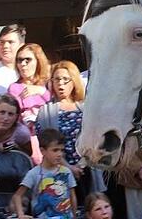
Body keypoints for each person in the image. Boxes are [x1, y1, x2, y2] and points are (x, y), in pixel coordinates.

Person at [36, 60, 104, 200]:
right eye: (57, 79)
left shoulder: (87, 108)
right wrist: (68, 167)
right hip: (58, 173)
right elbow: (45, 145)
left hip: (88, 169)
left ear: (74, 81)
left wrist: (81, 164)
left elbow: (96, 140)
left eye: (65, 79)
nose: (60, 83)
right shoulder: (45, 112)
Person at [7, 43, 51, 126]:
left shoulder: (50, 83)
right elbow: (13, 112)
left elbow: (58, 106)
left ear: (38, 61)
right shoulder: (14, 88)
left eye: (27, 60)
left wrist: (42, 91)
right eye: (19, 60)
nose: (23, 64)